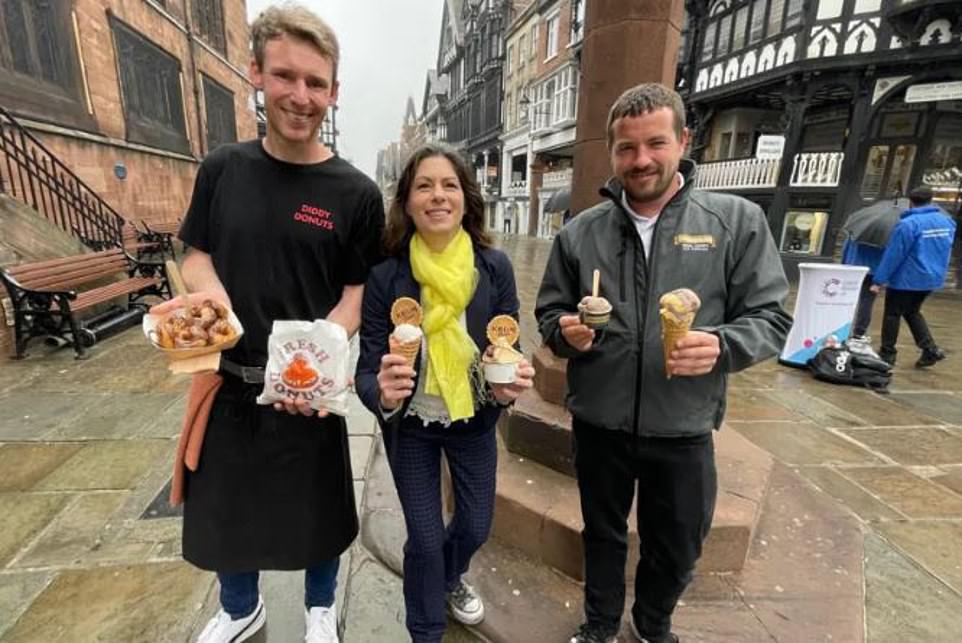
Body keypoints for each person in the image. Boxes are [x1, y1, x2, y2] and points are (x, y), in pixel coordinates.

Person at [149, 5, 384, 642]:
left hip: (307, 386)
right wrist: (215, 306)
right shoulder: (223, 169)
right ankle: (239, 607)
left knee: (320, 510)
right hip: (230, 379)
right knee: (228, 507)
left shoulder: (356, 193)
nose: (300, 96)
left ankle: (318, 608)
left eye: (316, 83)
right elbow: (196, 253)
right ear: (256, 73)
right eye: (285, 76)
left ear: (334, 91)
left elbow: (359, 288)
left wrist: (325, 350)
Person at [535, 83, 792, 643]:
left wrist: (723, 344)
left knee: (676, 543)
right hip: (599, 419)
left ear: (683, 140)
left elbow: (772, 318)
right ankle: (600, 625)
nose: (641, 160)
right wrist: (565, 333)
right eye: (627, 148)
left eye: (655, 143)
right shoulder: (581, 233)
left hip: (683, 425)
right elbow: (550, 312)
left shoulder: (735, 222)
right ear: (611, 152)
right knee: (602, 534)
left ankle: (652, 625)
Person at [355, 144, 535, 643]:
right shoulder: (387, 276)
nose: (438, 195)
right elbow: (367, 371)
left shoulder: (492, 268)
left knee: (475, 527)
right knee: (426, 540)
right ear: (408, 202)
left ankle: (450, 579)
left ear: (466, 198)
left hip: (474, 420)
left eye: (449, 185)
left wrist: (509, 384)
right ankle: (426, 629)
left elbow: (508, 345)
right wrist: (384, 393)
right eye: (424, 186)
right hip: (412, 426)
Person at [871, 186, 956, 368]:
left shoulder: (908, 224)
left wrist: (879, 280)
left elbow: (894, 254)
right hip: (931, 278)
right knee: (912, 311)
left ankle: (887, 354)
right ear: (931, 200)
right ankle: (929, 349)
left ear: (910, 202)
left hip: (906, 279)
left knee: (892, 314)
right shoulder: (947, 222)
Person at [841, 236, 884, 343]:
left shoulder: (860, 227)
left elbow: (845, 248)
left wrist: (843, 264)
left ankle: (839, 328)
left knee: (846, 299)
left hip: (852, 267)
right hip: (872, 270)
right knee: (866, 302)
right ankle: (858, 333)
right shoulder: (885, 233)